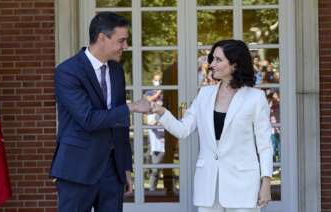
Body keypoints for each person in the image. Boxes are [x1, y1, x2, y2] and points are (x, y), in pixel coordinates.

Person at [151, 39, 273, 212]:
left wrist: (266, 181)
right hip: (208, 185)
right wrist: (160, 111)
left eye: (218, 60)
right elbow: (183, 130)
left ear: (234, 65)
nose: (211, 64)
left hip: (243, 186)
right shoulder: (205, 94)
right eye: (212, 59)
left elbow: (265, 145)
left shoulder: (255, 98)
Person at [50, 12, 150, 212]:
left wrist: (125, 168)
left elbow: (121, 123)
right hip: (76, 170)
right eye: (121, 40)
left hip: (112, 171)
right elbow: (88, 119)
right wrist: (131, 107)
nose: (125, 46)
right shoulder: (67, 71)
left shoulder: (116, 71)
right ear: (102, 38)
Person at [145, 72, 165, 191]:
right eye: (156, 80)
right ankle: (152, 189)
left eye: (160, 80)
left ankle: (167, 188)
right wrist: (158, 92)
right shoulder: (149, 93)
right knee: (154, 164)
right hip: (154, 136)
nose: (158, 82)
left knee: (161, 164)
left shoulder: (166, 95)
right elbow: (148, 100)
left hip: (165, 133)